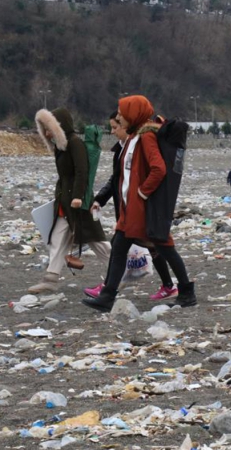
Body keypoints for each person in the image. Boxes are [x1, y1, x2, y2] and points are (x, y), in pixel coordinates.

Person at [81, 95, 196, 312]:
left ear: (134, 114)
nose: (119, 116)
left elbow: (158, 169)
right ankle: (107, 297)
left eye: (123, 113)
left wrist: (142, 194)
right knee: (119, 248)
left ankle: (187, 292)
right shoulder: (133, 137)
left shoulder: (146, 137)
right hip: (130, 208)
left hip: (140, 209)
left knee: (165, 247)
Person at [29, 108, 112, 294]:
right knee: (57, 238)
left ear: (59, 126)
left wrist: (77, 197)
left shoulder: (75, 143)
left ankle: (120, 271)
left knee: (97, 241)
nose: (47, 133)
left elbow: (82, 171)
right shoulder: (61, 146)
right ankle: (51, 278)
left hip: (78, 201)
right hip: (64, 202)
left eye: (48, 128)